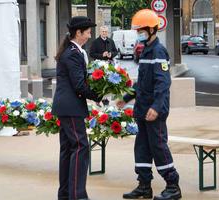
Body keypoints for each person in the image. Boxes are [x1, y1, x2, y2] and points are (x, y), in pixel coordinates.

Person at [116, 9, 182, 200]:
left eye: (141, 30)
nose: (139, 33)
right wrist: (126, 98)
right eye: (137, 30)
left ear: (152, 29)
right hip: (143, 110)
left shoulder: (159, 51)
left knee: (158, 146)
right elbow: (142, 82)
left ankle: (173, 185)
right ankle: (144, 185)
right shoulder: (145, 50)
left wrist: (156, 107)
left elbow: (163, 84)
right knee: (142, 148)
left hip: (154, 111)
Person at [52, 16, 102, 200]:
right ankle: (77, 195)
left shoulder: (74, 51)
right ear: (78, 33)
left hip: (67, 107)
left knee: (68, 150)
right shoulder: (73, 53)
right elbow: (79, 85)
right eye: (88, 32)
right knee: (81, 147)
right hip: (71, 107)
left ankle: (65, 194)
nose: (90, 36)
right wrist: (99, 95)